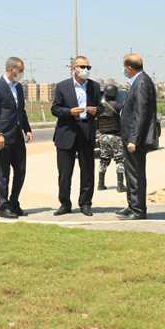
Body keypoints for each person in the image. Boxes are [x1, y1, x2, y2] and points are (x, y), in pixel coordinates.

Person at [51, 55, 101, 216]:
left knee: (87, 171)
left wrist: (96, 111)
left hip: (87, 132)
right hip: (67, 132)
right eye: (82, 67)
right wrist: (69, 112)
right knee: (65, 173)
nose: (86, 70)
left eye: (88, 67)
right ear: (74, 69)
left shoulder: (95, 86)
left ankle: (85, 203)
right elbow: (55, 109)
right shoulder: (62, 86)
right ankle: (65, 203)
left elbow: (101, 108)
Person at [0, 57, 33, 219]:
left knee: (20, 171)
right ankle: (3, 206)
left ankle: (14, 202)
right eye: (20, 70)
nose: (22, 73)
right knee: (4, 173)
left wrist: (27, 129)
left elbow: (21, 111)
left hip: (17, 136)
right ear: (11, 69)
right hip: (3, 137)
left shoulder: (18, 87)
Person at [117, 53, 158, 220]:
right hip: (129, 137)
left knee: (136, 174)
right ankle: (132, 205)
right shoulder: (139, 81)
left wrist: (134, 139)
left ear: (129, 67)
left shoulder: (141, 82)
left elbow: (141, 113)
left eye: (124, 68)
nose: (124, 71)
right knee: (130, 174)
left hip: (135, 140)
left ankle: (138, 210)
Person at [96, 83, 126, 193]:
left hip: (102, 136)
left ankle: (100, 184)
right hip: (115, 136)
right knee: (119, 160)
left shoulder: (100, 107)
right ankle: (120, 185)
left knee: (103, 159)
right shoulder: (118, 106)